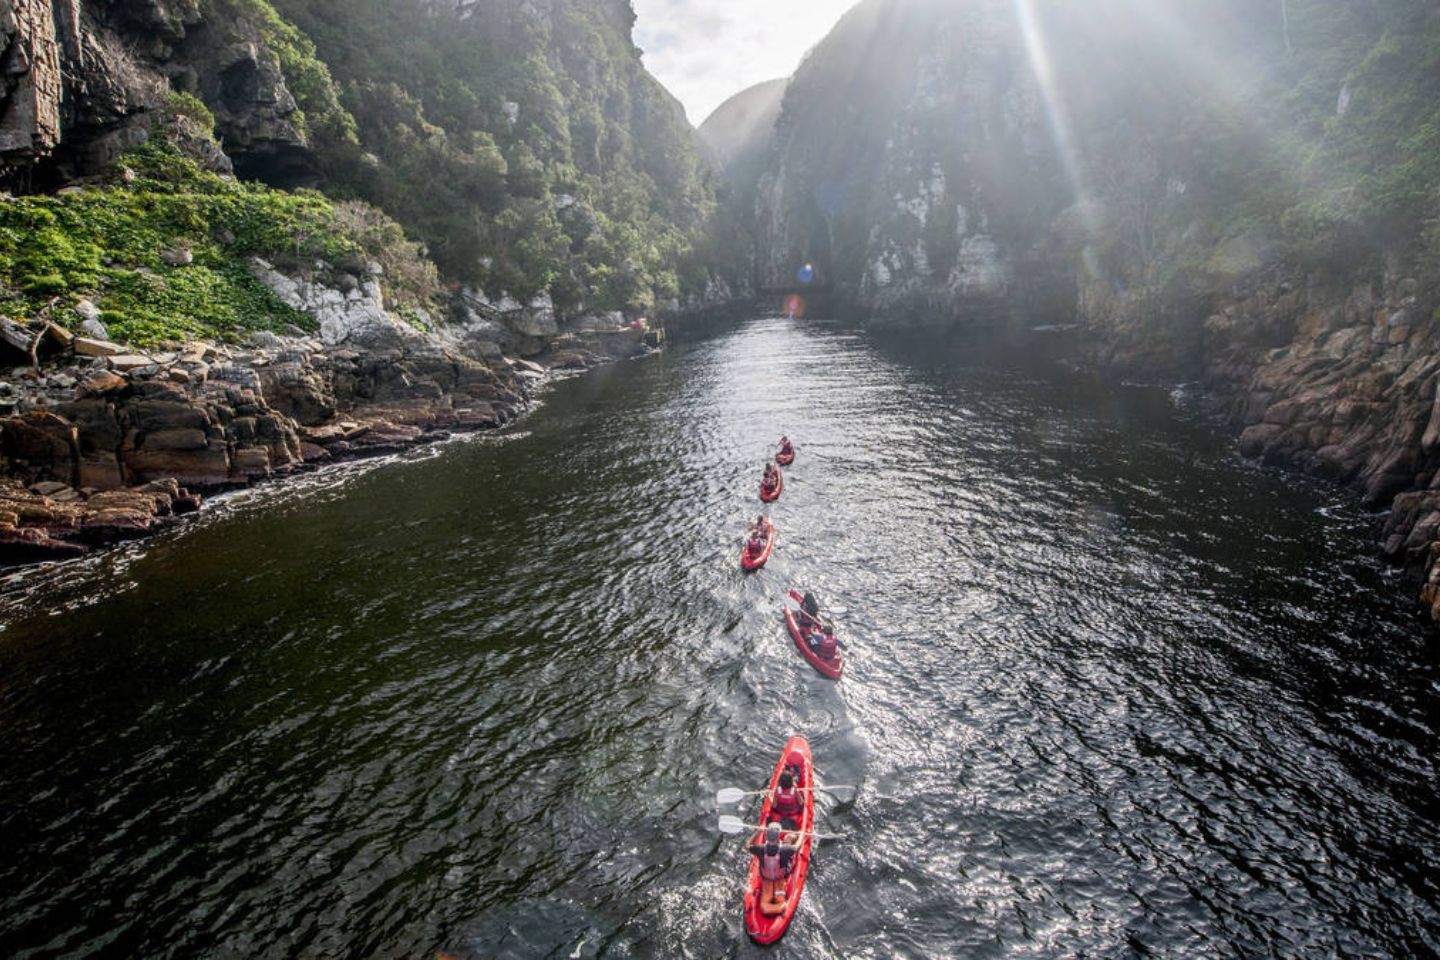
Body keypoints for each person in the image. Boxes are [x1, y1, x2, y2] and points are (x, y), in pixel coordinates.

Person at [748, 822, 800, 912]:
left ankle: (777, 903)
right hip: (781, 878)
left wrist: (757, 832)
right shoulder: (785, 849)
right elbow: (797, 847)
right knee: (790, 837)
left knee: (765, 904)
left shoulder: (760, 849)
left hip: (766, 879)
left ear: (767, 836)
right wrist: (802, 836)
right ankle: (793, 835)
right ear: (778, 836)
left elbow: (747, 845)